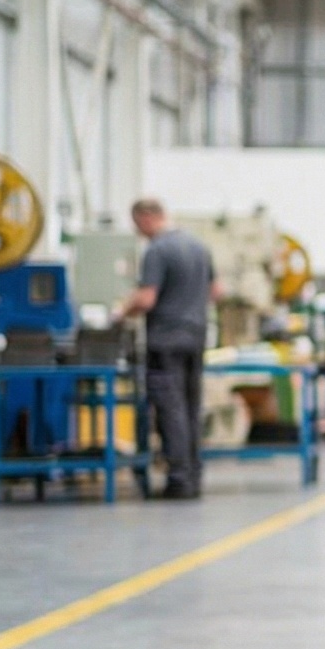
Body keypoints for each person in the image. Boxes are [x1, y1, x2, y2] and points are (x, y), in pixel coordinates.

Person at [121, 198, 222, 501]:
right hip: (196, 335)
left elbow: (146, 299)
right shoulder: (198, 246)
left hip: (166, 340)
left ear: (146, 218)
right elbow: (216, 292)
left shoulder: (157, 250)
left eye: (137, 225)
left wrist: (121, 311)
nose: (139, 232)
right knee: (191, 406)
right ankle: (194, 476)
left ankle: (178, 480)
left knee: (170, 409)